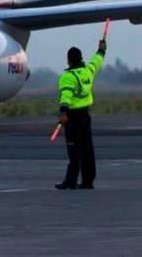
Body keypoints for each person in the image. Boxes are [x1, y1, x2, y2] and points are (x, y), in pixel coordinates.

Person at [54, 37, 107, 190]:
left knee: (74, 151)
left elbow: (66, 96)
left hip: (72, 118)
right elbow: (96, 62)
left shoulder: (67, 77)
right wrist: (101, 50)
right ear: (81, 58)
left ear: (69, 60)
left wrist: (63, 112)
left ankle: (70, 181)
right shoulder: (87, 72)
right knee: (87, 149)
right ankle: (88, 181)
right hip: (85, 116)